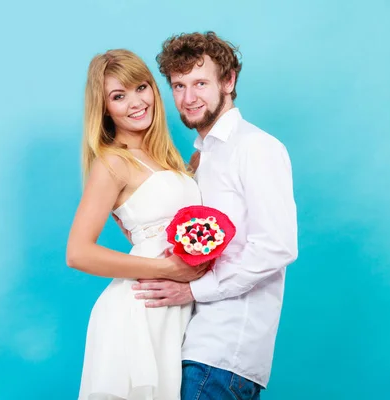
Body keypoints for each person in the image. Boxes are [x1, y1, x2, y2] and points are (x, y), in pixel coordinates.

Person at [132, 32, 299, 399]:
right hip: (191, 346)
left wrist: (193, 289)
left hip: (222, 353)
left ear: (229, 81)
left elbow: (276, 246)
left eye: (200, 83)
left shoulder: (255, 148)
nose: (189, 98)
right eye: (179, 85)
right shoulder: (202, 157)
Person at [66, 49, 208, 399]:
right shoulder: (113, 163)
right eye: (119, 96)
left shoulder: (166, 159)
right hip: (137, 312)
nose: (135, 102)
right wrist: (165, 269)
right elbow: (78, 253)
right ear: (104, 109)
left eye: (141, 88)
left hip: (170, 311)